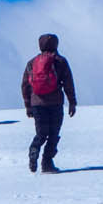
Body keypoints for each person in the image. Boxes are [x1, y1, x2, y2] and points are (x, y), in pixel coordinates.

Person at [20, 32, 77, 173]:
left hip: (37, 104)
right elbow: (68, 83)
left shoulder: (32, 63)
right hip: (55, 103)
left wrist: (28, 106)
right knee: (53, 134)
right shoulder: (60, 61)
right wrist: (72, 102)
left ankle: (34, 150)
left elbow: (25, 86)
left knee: (41, 133)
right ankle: (47, 163)